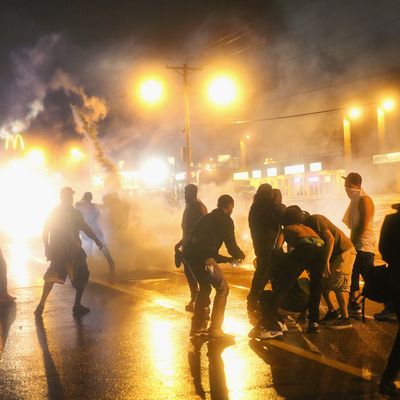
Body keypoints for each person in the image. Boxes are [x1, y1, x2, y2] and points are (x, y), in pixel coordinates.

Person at [34, 187, 103, 317]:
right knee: (82, 276)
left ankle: (41, 305)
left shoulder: (55, 212)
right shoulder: (74, 213)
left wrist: (48, 247)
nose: (71, 199)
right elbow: (86, 229)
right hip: (73, 251)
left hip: (59, 251)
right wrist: (97, 240)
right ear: (68, 198)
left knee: (51, 276)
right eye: (70, 196)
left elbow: (45, 231)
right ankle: (76, 306)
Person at [183, 194, 245, 339]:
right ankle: (215, 329)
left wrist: (226, 259)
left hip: (190, 255)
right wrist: (239, 255)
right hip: (202, 258)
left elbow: (202, 243)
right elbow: (231, 246)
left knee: (205, 287)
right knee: (222, 287)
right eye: (232, 208)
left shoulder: (207, 217)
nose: (232, 211)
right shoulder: (226, 220)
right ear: (229, 206)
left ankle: (197, 327)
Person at [265, 205, 325, 337]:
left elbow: (277, 248)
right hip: (320, 248)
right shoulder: (307, 228)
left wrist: (283, 261)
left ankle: (270, 324)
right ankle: (314, 322)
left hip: (305, 249)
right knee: (316, 287)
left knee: (284, 287)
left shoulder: (286, 229)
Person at [304, 212, 356, 328]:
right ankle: (333, 311)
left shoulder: (315, 219)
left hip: (343, 252)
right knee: (323, 284)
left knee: (339, 285)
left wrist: (326, 261)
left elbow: (330, 239)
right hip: (334, 255)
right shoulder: (307, 227)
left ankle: (345, 318)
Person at [247, 184, 285, 312]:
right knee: (267, 273)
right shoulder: (269, 207)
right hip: (270, 245)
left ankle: (255, 298)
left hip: (260, 245)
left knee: (264, 272)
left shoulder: (255, 207)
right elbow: (283, 217)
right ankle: (257, 299)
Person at [342, 172, 376, 315]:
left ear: (356, 185)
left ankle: (391, 304)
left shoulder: (364, 200)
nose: (346, 189)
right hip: (357, 246)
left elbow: (363, 225)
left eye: (348, 186)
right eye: (345, 186)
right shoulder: (355, 200)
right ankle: (354, 304)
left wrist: (354, 243)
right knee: (352, 276)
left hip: (364, 246)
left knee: (372, 280)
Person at [377, 202, 400, 396]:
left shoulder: (390, 220)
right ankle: (387, 379)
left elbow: (383, 249)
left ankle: (388, 379)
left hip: (395, 277)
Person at [175, 184, 207, 312]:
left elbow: (198, 230)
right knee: (191, 275)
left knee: (197, 276)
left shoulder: (197, 207)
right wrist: (180, 243)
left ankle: (201, 303)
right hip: (189, 247)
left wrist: (190, 245)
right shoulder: (191, 206)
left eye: (186, 193)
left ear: (192, 193)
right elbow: (188, 231)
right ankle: (196, 300)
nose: (184, 195)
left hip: (194, 248)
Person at [75, 192, 116, 271]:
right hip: (94, 231)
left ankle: (91, 266)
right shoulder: (93, 206)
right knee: (102, 247)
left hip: (88, 231)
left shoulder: (82, 206)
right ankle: (110, 262)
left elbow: (76, 206)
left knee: (90, 249)